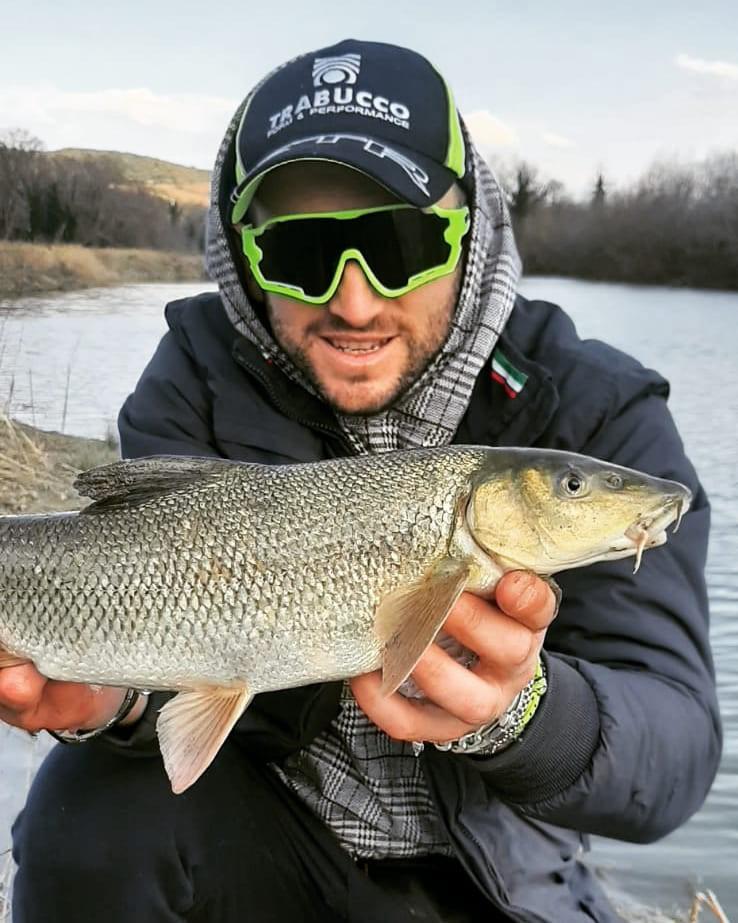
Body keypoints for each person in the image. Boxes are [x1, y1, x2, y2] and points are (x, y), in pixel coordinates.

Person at [3, 39, 721, 922]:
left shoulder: (597, 406)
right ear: (242, 255)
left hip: (498, 885)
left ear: (470, 233)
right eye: (301, 253)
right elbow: (173, 665)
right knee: (84, 807)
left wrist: (523, 711)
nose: (354, 301)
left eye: (398, 243)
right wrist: (116, 704)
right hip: (263, 838)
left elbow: (673, 752)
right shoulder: (194, 373)